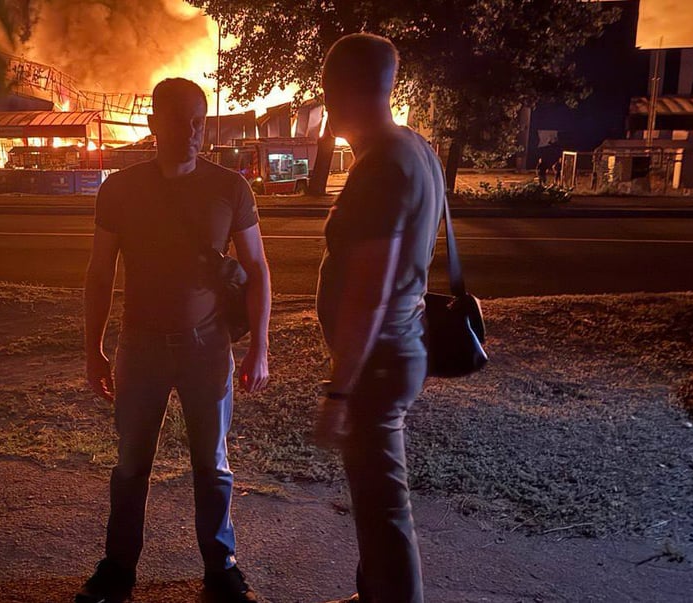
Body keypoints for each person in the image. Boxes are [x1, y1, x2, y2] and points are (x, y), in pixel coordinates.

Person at [78, 77, 272, 603]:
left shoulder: (231, 187)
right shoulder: (119, 188)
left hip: (206, 348)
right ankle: (118, 568)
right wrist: (93, 348)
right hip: (138, 348)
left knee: (212, 463)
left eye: (198, 121)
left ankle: (221, 566)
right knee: (130, 464)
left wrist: (260, 348)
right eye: (178, 120)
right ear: (152, 124)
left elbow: (256, 267)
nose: (190, 132)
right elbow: (100, 274)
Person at [313, 33, 444, 603]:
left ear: (342, 91)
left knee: (384, 507)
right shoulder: (414, 147)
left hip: (378, 361)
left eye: (327, 92)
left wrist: (339, 392)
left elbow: (368, 289)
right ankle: (375, 595)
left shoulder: (382, 165)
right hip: (400, 345)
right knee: (375, 501)